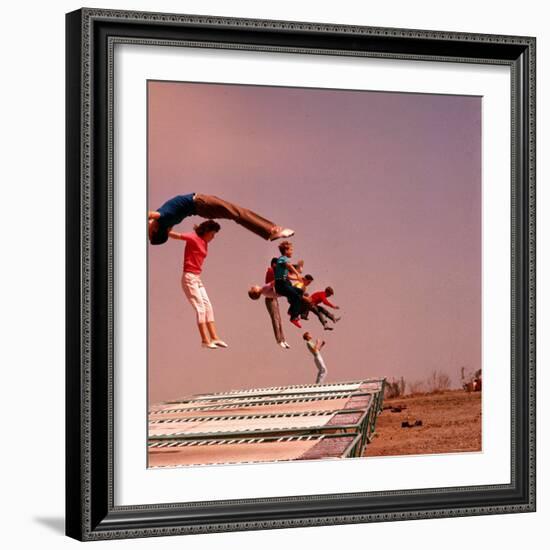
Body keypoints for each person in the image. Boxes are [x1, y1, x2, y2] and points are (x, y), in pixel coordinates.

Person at [168, 219, 227, 349]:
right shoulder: (193, 237)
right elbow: (175, 235)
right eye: (212, 234)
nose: (213, 237)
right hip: (189, 278)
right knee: (200, 308)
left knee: (208, 307)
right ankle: (205, 340)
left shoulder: (205, 243)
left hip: (197, 278)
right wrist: (163, 227)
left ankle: (215, 337)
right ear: (206, 231)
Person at [148, 193, 294, 245]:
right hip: (201, 204)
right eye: (149, 232)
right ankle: (271, 230)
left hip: (202, 205)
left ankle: (270, 230)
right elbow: (150, 215)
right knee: (237, 213)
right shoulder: (164, 218)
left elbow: (165, 231)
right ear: (155, 230)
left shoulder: (167, 224)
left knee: (236, 214)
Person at [273, 241, 305, 328]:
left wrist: (298, 279)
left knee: (300, 291)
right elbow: (289, 266)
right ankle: (293, 317)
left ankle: (291, 311)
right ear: (286, 251)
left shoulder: (283, 261)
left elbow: (288, 277)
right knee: (297, 297)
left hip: (284, 283)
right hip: (281, 285)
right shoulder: (283, 259)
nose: (292, 252)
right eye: (291, 250)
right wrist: (297, 273)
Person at [248, 283, 290, 349]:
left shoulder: (263, 289)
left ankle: (283, 339)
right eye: (254, 287)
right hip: (270, 300)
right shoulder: (263, 288)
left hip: (273, 299)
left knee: (279, 320)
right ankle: (279, 340)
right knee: (275, 320)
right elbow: (273, 282)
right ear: (256, 291)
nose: (256, 285)